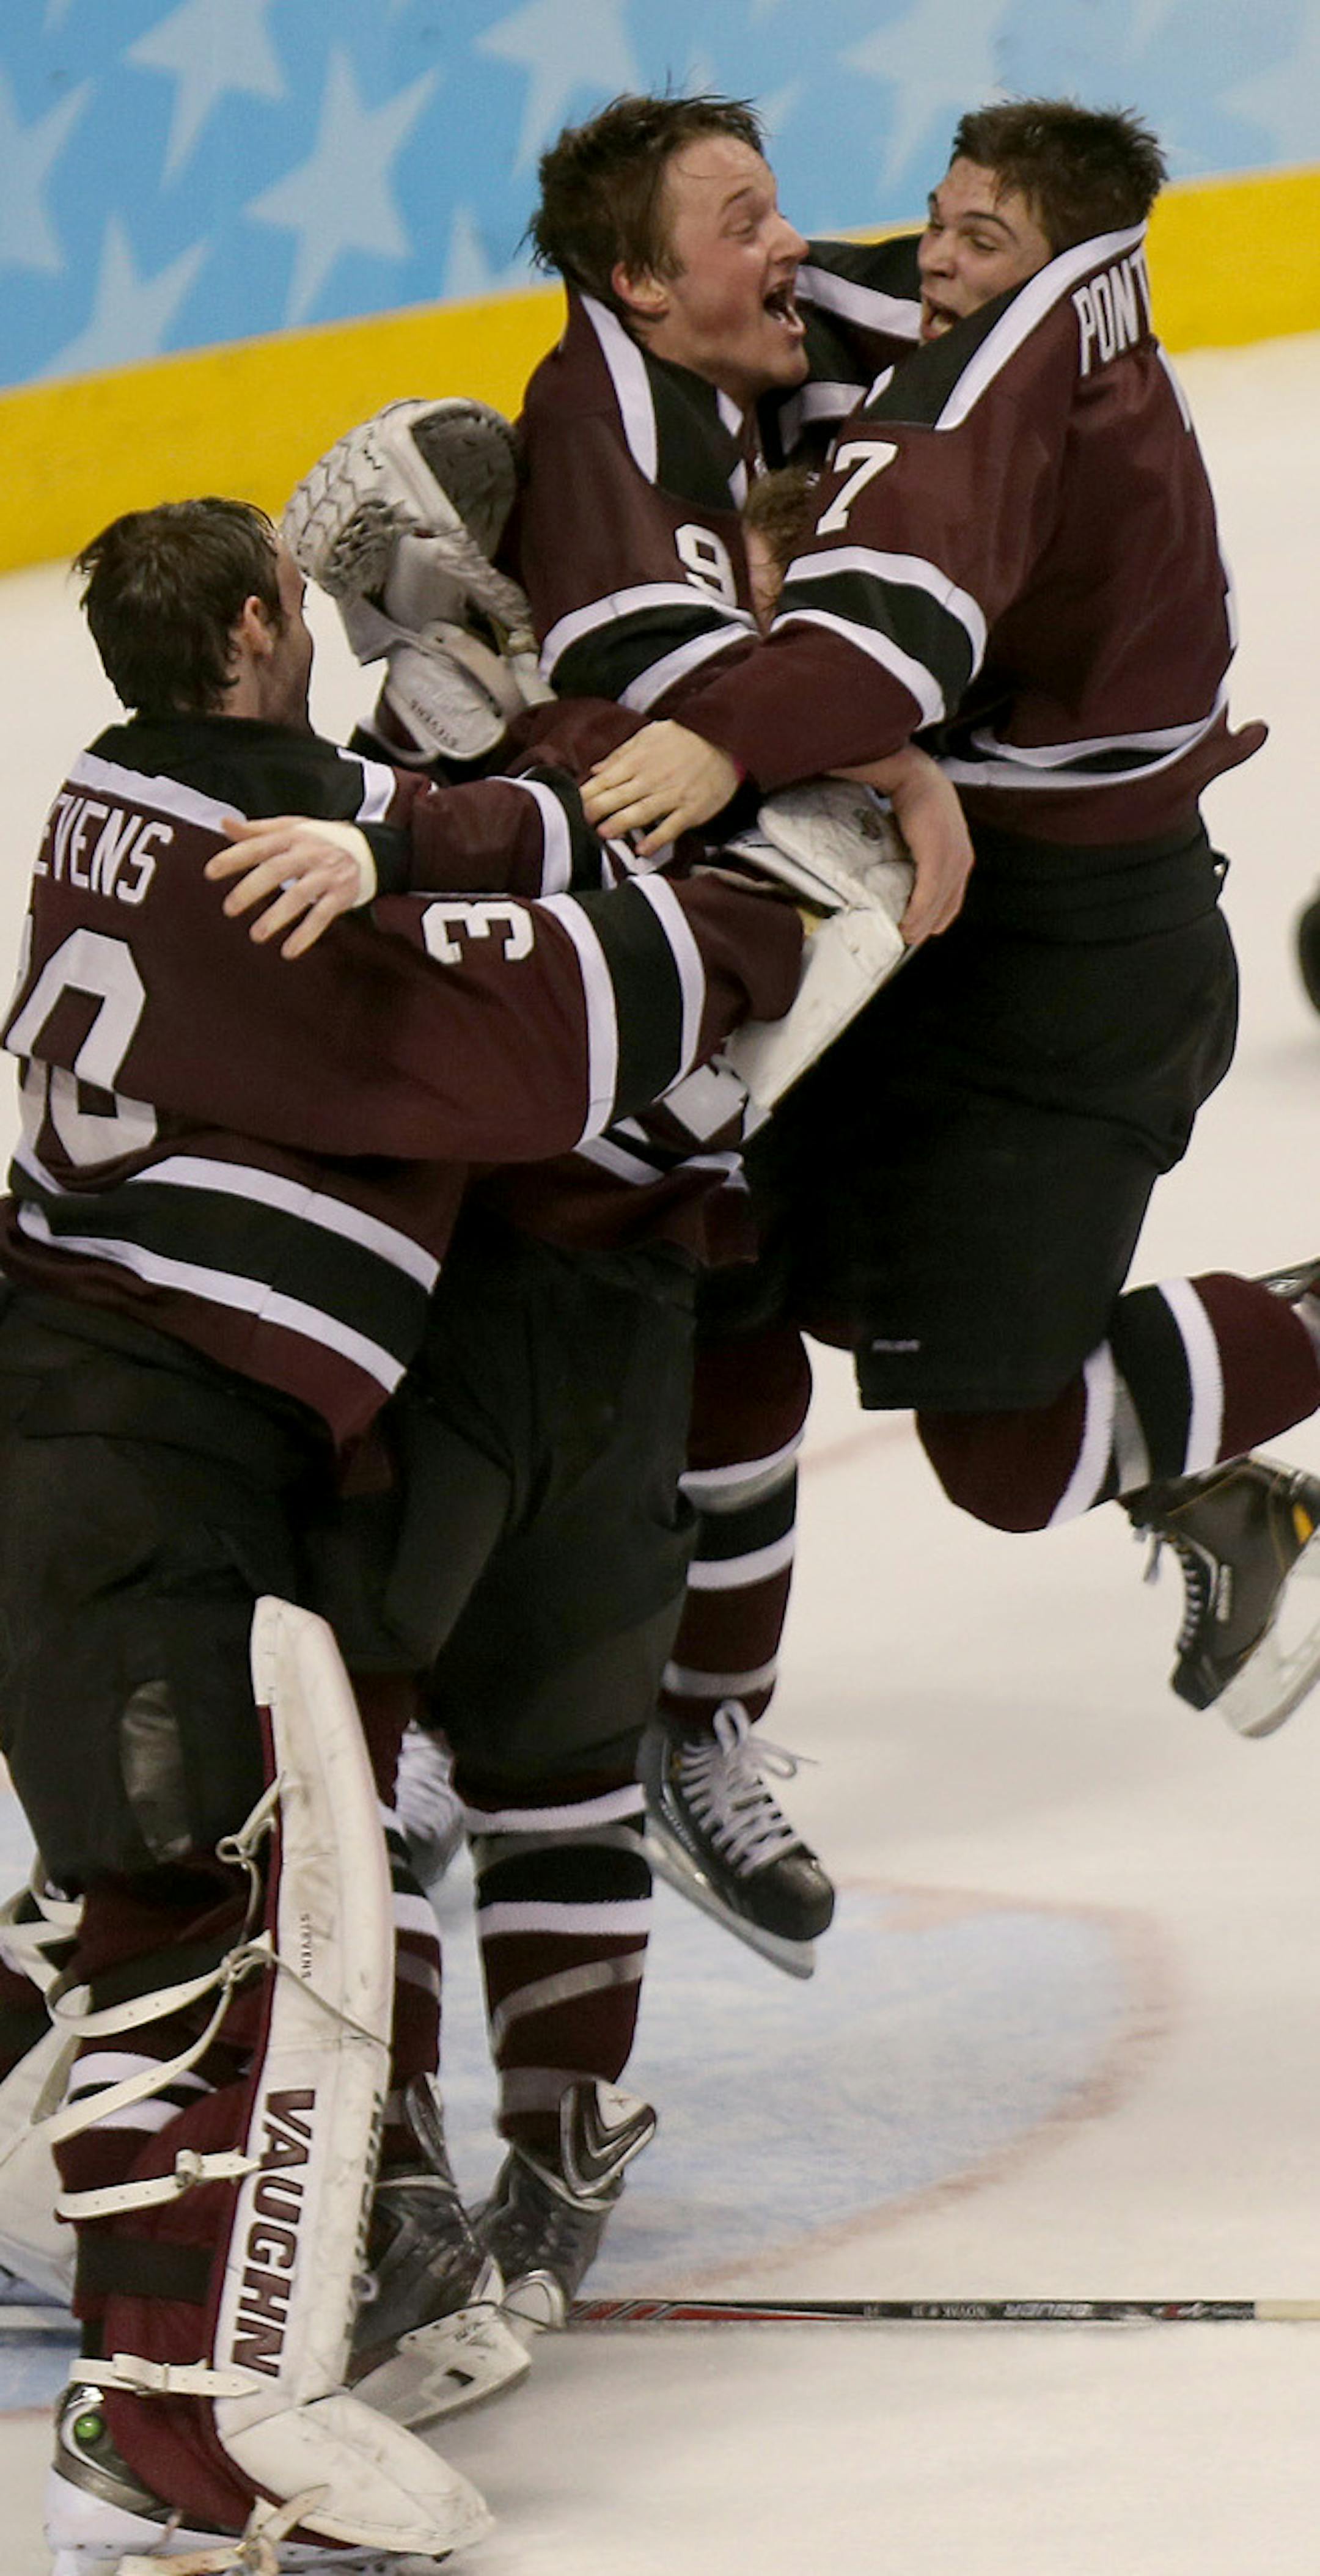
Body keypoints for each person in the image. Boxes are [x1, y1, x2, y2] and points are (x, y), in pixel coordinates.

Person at [0, 496, 807, 2569]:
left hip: (113, 1416)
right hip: (138, 1440)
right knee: (186, 1940)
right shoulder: (290, 873)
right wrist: (749, 894)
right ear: (272, 627)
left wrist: (444, 805)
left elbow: (422, 831)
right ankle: (169, 2413)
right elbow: (573, 1017)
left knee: (197, 1918)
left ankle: (178, 2378)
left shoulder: (116, 793)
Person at [527, 93, 1320, 1970]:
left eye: (962, 236)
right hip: (933, 929)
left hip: (1068, 962)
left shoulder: (1001, 388)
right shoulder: (977, 323)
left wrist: (762, 730)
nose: (864, 254)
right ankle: (704, 1728)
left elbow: (891, 632)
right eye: (760, 219)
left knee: (1003, 1450)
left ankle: (1244, 1479)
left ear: (1038, 262)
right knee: (728, 1269)